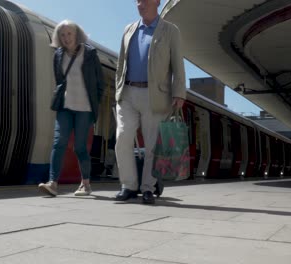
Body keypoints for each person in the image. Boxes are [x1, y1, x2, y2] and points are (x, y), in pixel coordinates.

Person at [114, 0, 186, 204]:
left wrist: (179, 93)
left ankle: (147, 188)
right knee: (123, 138)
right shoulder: (129, 29)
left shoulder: (170, 31)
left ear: (157, 2)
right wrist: (118, 90)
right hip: (127, 93)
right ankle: (128, 185)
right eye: (137, 0)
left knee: (152, 145)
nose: (140, 4)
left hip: (155, 95)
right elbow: (121, 63)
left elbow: (177, 65)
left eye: (145, 0)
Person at [38, 20, 103, 197]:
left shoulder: (89, 54)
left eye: (69, 34)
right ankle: (53, 183)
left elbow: (99, 83)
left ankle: (86, 184)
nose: (66, 38)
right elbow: (60, 81)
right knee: (59, 143)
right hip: (65, 107)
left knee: (80, 147)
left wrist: (94, 104)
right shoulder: (58, 55)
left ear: (77, 35)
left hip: (84, 108)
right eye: (62, 34)